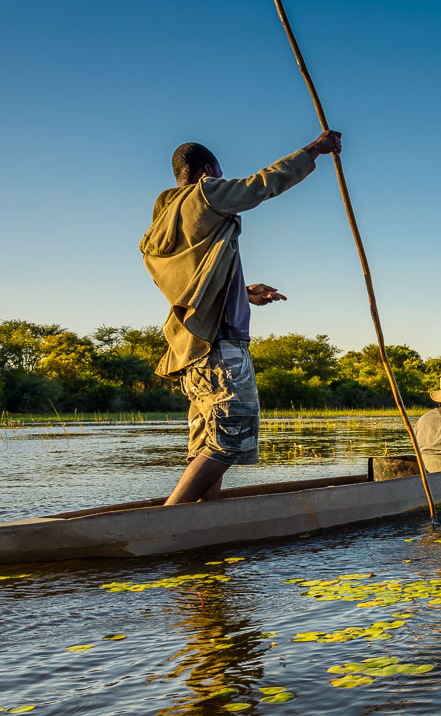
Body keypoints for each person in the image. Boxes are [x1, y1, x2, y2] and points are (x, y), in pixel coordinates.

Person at [142, 129, 342, 504]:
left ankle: (204, 533)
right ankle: (168, 521)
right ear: (206, 171)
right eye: (218, 173)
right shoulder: (204, 193)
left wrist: (243, 294)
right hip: (221, 348)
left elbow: (194, 283)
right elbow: (261, 185)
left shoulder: (163, 224)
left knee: (209, 440)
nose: (222, 180)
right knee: (232, 437)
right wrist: (314, 150)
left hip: (193, 349)